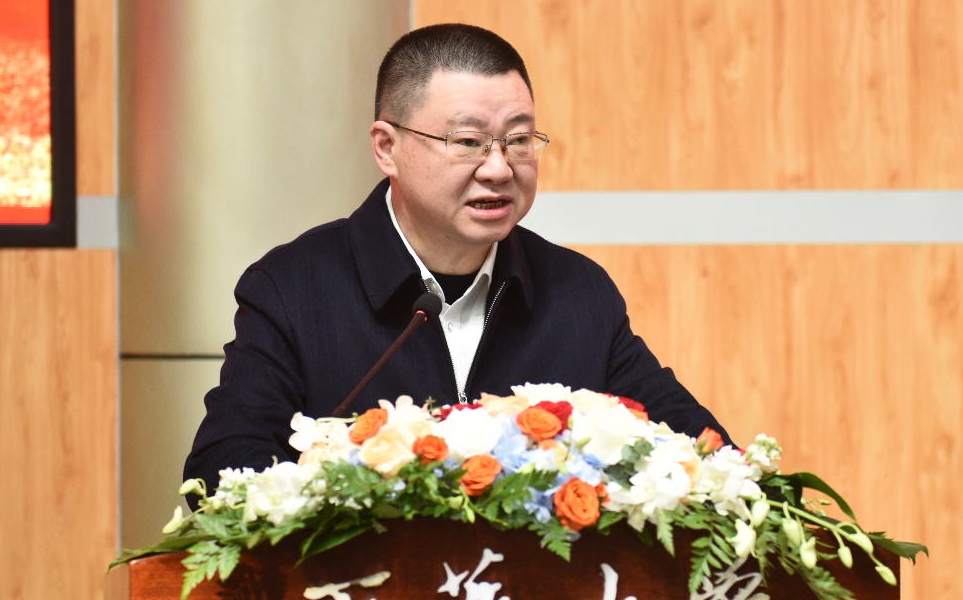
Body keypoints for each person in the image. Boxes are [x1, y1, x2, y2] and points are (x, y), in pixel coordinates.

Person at [184, 24, 730, 496]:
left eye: (519, 140)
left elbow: (704, 452)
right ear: (387, 148)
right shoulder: (294, 289)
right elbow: (222, 471)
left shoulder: (578, 294)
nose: (499, 168)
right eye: (469, 141)